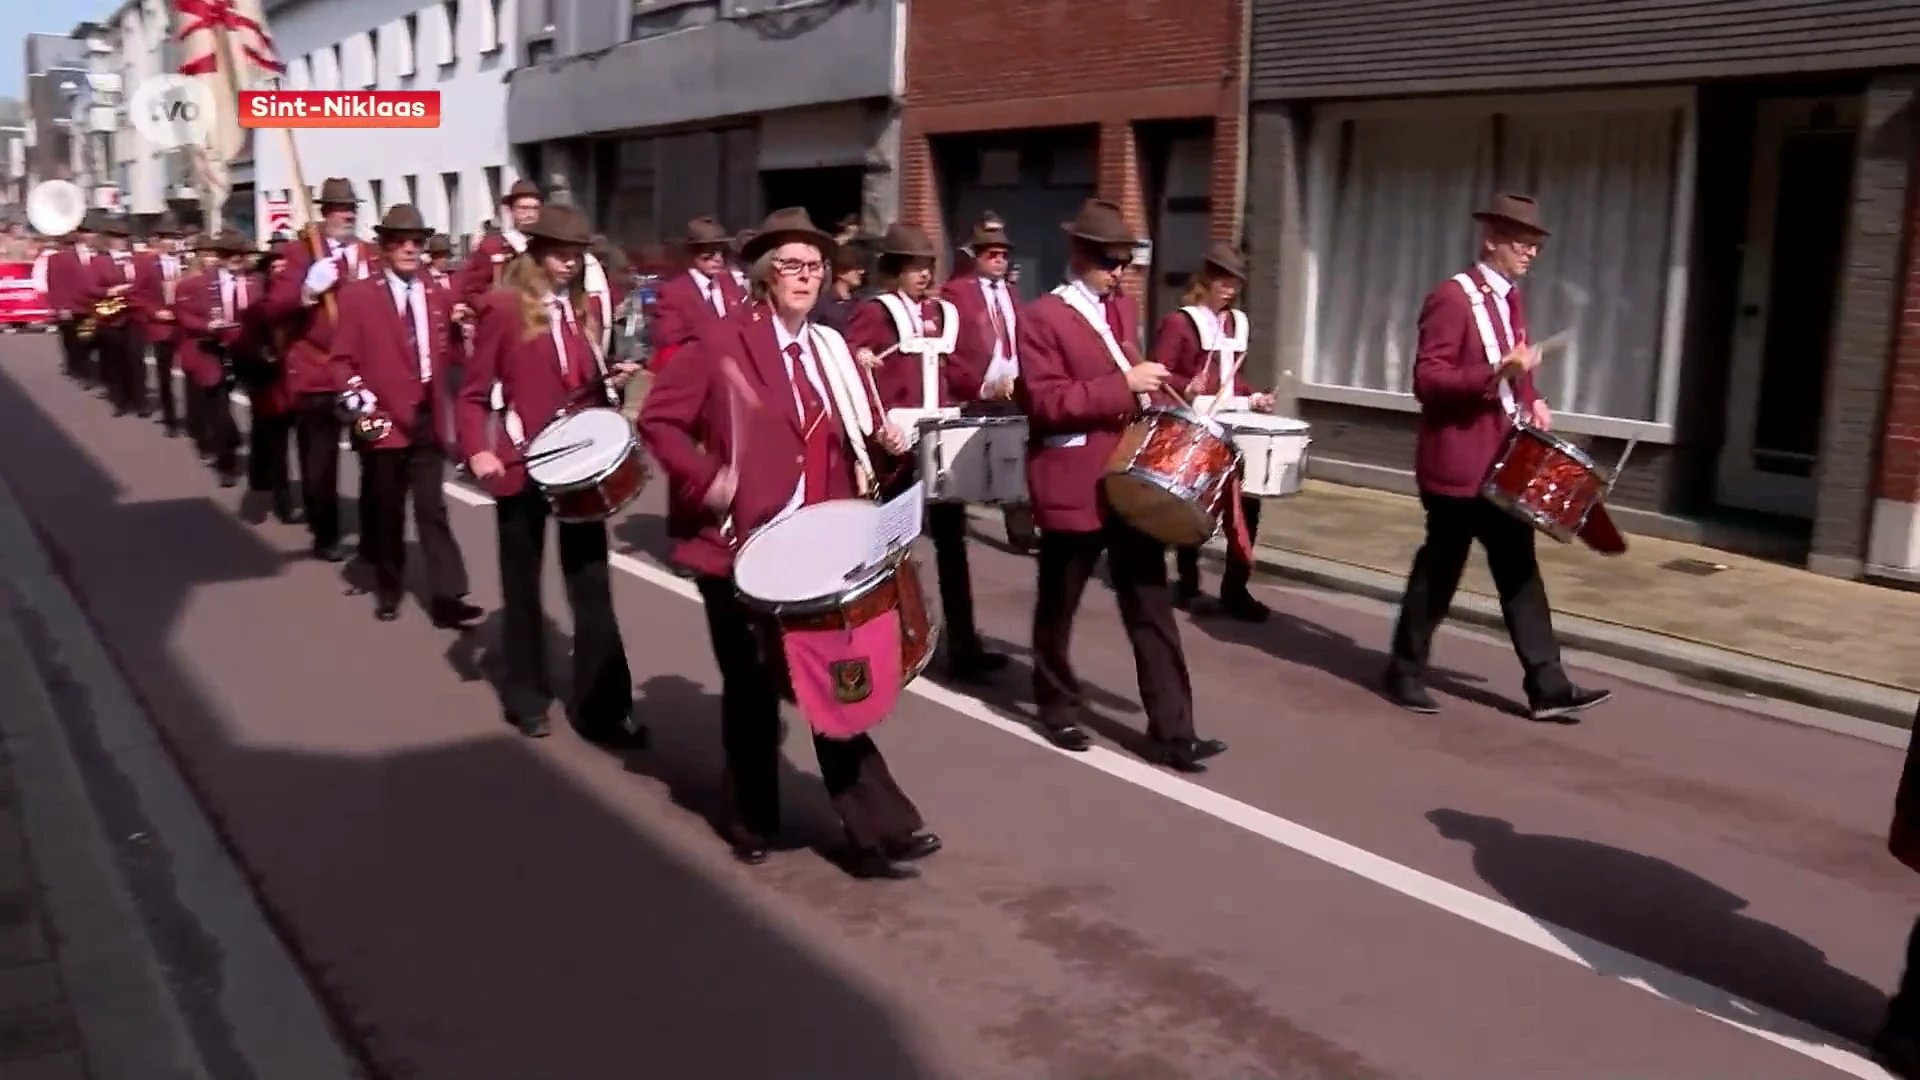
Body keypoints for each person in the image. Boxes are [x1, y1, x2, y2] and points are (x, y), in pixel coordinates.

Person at [638, 207, 940, 880]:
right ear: (765, 276)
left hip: (817, 548)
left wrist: (887, 445)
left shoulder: (831, 350)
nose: (805, 278)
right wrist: (707, 478)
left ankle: (875, 827)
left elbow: (851, 439)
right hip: (737, 548)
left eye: (815, 267)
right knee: (749, 689)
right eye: (792, 266)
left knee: (833, 681)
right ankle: (750, 816)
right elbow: (660, 422)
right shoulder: (721, 344)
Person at [1382, 194, 1610, 721]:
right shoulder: (1452, 298)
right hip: (1456, 465)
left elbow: (1518, 367)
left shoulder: (1510, 300)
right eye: (1521, 243)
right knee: (1441, 569)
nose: (1531, 252)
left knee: (1519, 570)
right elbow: (1428, 381)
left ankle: (1548, 685)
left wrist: (1532, 400)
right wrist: (1496, 376)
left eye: (1535, 245)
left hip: (1505, 461)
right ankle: (1404, 670)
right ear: (1491, 240)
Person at [1016, 198, 1225, 773]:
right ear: (1080, 254)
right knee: (1060, 604)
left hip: (1130, 476)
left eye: (1126, 262)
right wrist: (1121, 384)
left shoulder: (1121, 309)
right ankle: (1056, 704)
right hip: (1073, 478)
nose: (1119, 272)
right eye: (1110, 261)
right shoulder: (1042, 317)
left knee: (1151, 603)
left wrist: (1163, 389)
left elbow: (1132, 381)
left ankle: (1173, 730)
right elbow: (1045, 401)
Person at [456, 205, 645, 745]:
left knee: (592, 588)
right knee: (523, 588)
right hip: (521, 466)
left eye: (576, 253)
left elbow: (577, 387)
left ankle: (604, 707)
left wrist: (611, 377)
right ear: (536, 252)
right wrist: (478, 452)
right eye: (560, 252)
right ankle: (526, 695)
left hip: (578, 468)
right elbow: (473, 395)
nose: (570, 262)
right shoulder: (502, 306)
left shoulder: (581, 310)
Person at [844, 222, 1008, 682]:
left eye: (928, 266)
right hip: (898, 448)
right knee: (889, 545)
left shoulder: (943, 313)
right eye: (914, 266)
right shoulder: (874, 314)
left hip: (943, 441)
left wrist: (987, 388)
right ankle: (882, 640)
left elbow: (958, 373)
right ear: (894, 269)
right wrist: (877, 429)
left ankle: (964, 645)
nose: (923, 274)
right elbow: (854, 377)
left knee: (954, 544)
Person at [330, 205, 485, 628]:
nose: (410, 249)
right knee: (387, 507)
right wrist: (363, 404)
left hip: (425, 416)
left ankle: (448, 595)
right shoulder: (358, 295)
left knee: (432, 508)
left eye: (416, 241)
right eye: (400, 241)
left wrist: (464, 331)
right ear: (384, 247)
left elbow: (447, 349)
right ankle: (388, 586)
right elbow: (341, 362)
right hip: (380, 417)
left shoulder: (436, 292)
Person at [1153, 242, 1275, 621]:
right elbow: (1159, 373)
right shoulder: (1181, 322)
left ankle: (1235, 590)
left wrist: (1253, 397)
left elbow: (1230, 381)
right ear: (1205, 278)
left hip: (1232, 426)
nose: (1229, 287)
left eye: (1235, 281)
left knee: (1248, 504)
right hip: (1193, 426)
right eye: (1222, 279)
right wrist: (1187, 384)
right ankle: (1187, 583)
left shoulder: (1235, 322)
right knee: (1196, 506)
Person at [264, 177, 378, 561]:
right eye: (338, 208)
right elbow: (275, 307)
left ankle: (374, 535)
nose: (346, 214)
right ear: (324, 212)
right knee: (319, 463)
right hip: (317, 371)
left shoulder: (369, 254)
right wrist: (307, 291)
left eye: (351, 208)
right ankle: (325, 532)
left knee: (377, 454)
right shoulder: (301, 254)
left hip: (363, 374)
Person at [940, 213, 1038, 553]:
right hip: (976, 387)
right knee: (963, 461)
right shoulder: (956, 293)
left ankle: (1022, 532)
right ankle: (950, 523)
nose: (998, 260)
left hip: (1011, 386)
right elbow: (950, 346)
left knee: (1014, 458)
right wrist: (976, 385)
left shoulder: (1012, 293)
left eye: (1003, 254)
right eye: (990, 254)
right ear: (976, 257)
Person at [170, 229, 256, 487]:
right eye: (229, 254)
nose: (236, 259)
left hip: (245, 351)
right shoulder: (193, 284)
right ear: (219, 257)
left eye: (240, 254)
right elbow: (184, 316)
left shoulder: (254, 282)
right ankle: (226, 465)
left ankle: (264, 468)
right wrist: (208, 326)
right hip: (211, 350)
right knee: (219, 410)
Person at [645, 216, 745, 371]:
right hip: (696, 371)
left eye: (722, 251)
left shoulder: (730, 283)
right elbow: (666, 338)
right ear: (692, 253)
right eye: (709, 252)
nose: (718, 258)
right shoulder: (674, 291)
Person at [130, 215, 187, 437]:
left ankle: (196, 420)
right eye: (167, 238)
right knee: (165, 374)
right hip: (161, 326)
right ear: (157, 240)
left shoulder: (186, 262)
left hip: (185, 324)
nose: (172, 242)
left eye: (175, 237)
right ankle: (171, 418)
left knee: (191, 373)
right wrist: (155, 312)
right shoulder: (146, 264)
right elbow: (136, 294)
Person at [81, 216, 142, 416]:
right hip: (111, 316)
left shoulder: (135, 258)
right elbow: (90, 288)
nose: (121, 240)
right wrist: (112, 291)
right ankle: (120, 401)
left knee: (134, 359)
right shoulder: (99, 261)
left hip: (134, 315)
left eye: (124, 236)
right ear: (108, 239)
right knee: (115, 360)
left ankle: (137, 400)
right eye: (116, 236)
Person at [453, 179, 542, 303]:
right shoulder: (492, 247)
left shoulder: (545, 247)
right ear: (511, 210)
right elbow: (472, 291)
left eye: (535, 208)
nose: (530, 214)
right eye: (523, 208)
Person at [45, 217, 100, 386]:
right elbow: (55, 283)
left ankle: (87, 370)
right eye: (86, 233)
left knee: (90, 339)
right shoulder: (59, 258)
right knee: (73, 341)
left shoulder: (101, 255)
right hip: (72, 306)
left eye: (92, 233)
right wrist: (61, 306)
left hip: (94, 305)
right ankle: (79, 371)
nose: (90, 236)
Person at [808, 242, 866, 333]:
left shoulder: (860, 303)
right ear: (841, 271)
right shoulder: (821, 306)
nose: (861, 272)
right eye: (856, 268)